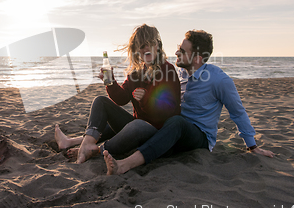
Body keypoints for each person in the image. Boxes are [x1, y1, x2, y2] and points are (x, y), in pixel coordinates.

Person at [104, 29, 275, 175]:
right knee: (147, 125)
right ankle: (90, 143)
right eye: (179, 48)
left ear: (197, 58)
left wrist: (253, 147)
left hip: (198, 137)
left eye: (182, 51)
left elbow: (238, 112)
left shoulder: (219, 80)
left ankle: (125, 165)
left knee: (176, 122)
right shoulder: (179, 73)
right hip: (172, 132)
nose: (177, 52)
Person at [55, 24, 181, 164]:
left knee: (137, 125)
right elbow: (122, 99)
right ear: (136, 50)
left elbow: (169, 110)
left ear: (158, 46)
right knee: (100, 101)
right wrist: (111, 83)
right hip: (135, 129)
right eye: (141, 46)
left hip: (157, 134)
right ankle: (88, 144)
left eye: (150, 44)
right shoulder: (136, 73)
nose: (146, 49)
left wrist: (146, 99)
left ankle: (97, 149)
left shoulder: (167, 70)